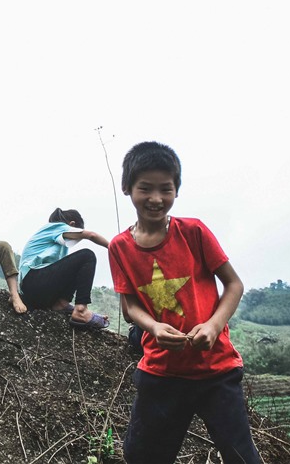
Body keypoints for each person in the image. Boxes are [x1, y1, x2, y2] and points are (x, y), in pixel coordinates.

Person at [108, 141, 260, 463]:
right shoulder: (120, 247)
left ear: (177, 189)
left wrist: (213, 325)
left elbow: (233, 284)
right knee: (141, 456)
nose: (156, 199)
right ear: (127, 188)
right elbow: (130, 306)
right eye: (145, 188)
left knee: (241, 458)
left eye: (166, 189)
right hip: (162, 371)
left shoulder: (193, 232)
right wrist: (153, 326)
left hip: (216, 369)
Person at [18, 207, 110, 330]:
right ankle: (81, 310)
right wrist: (113, 248)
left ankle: (61, 304)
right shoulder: (57, 227)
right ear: (72, 224)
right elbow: (91, 235)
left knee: (74, 267)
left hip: (36, 292)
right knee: (87, 256)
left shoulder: (57, 244)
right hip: (33, 281)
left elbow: (64, 274)